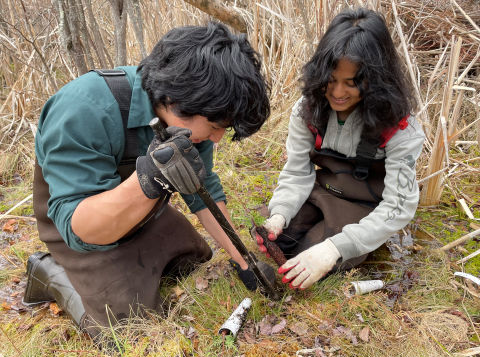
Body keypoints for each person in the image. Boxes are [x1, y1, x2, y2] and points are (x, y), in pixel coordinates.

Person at [24, 22, 272, 339]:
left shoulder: (199, 112)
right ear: (174, 99)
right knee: (126, 330)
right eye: (215, 126)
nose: (219, 138)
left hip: (145, 215)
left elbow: (203, 189)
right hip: (83, 229)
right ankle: (51, 274)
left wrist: (244, 261)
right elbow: (77, 224)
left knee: (195, 259)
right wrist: (148, 180)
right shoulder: (85, 109)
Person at [255, 8, 425, 289]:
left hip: (366, 207)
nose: (337, 93)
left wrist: (335, 248)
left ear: (377, 80)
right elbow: (297, 171)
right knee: (277, 236)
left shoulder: (401, 128)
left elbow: (398, 205)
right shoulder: (306, 110)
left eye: (351, 83)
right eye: (331, 80)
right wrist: (280, 213)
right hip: (320, 192)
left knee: (311, 256)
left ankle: (338, 245)